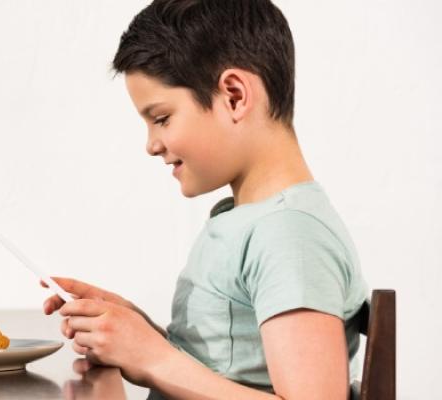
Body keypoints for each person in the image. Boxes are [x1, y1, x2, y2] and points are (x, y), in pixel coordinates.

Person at [42, 1, 369, 398]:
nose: (151, 145)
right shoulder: (253, 221)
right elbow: (231, 371)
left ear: (233, 96)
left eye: (161, 118)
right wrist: (139, 333)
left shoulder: (289, 236)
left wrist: (152, 358)